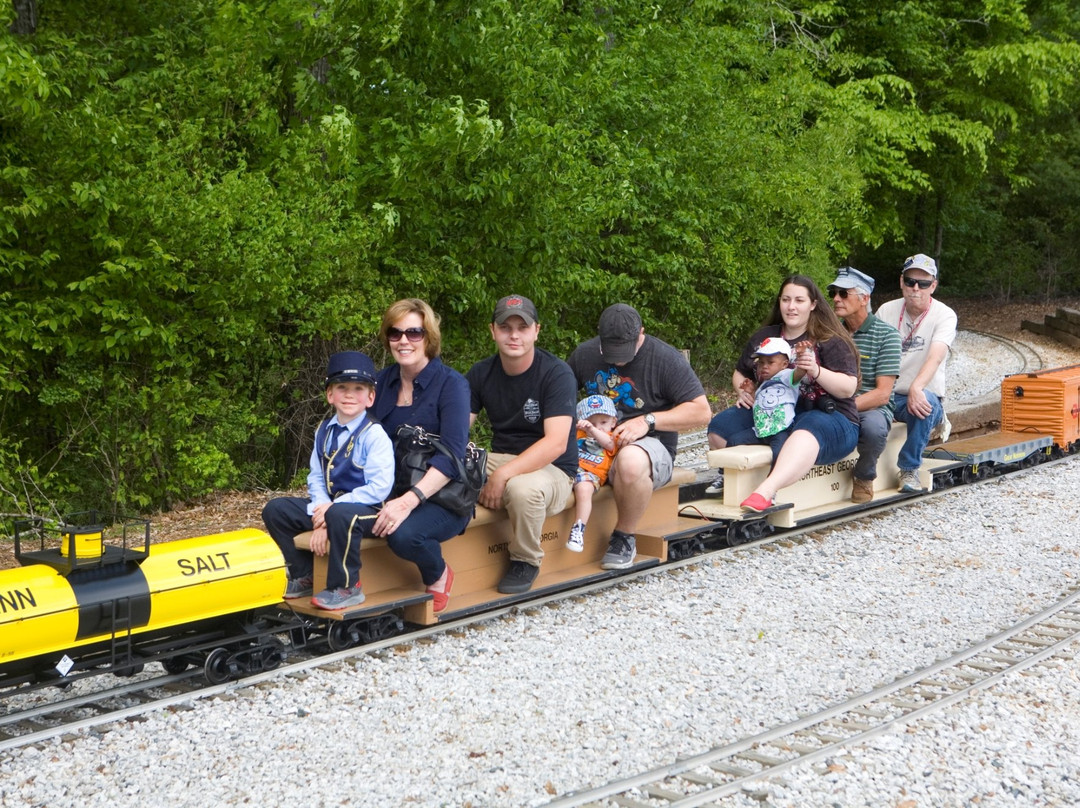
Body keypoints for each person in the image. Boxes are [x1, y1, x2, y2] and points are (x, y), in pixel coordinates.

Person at [567, 304, 710, 570]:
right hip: (594, 448)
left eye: (623, 353)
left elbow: (702, 411)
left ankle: (623, 537)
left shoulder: (665, 359)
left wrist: (648, 420)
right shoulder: (584, 355)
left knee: (630, 461)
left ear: (641, 334)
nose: (617, 360)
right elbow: (560, 404)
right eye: (610, 352)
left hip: (649, 448)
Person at [706, 275, 860, 511]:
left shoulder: (830, 338)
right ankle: (745, 477)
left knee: (804, 431)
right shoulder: (765, 337)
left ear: (813, 304)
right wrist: (743, 392)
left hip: (830, 416)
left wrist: (815, 370)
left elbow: (848, 388)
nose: (791, 306)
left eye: (799, 300)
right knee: (719, 428)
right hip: (772, 412)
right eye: (786, 299)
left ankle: (766, 491)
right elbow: (740, 373)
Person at [262, 351, 394, 610]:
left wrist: (333, 510)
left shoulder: (374, 435)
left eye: (358, 388)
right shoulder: (323, 430)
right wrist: (321, 507)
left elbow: (380, 488)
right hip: (332, 509)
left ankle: (347, 586)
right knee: (276, 510)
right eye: (341, 387)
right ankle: (304, 574)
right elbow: (316, 476)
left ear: (370, 397)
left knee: (342, 516)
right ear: (329, 395)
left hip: (369, 512)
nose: (348, 394)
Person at [466, 294, 577, 594]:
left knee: (521, 489)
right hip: (505, 457)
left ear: (536, 331)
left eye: (522, 327)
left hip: (552, 468)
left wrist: (501, 476)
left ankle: (526, 560)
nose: (514, 335)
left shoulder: (556, 373)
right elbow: (458, 428)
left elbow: (555, 444)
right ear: (493, 331)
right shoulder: (480, 373)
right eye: (505, 327)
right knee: (447, 463)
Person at [369, 299, 472, 613]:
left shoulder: (452, 385)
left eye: (414, 333)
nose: (403, 341)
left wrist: (407, 500)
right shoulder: (379, 383)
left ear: (429, 337)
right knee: (305, 514)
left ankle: (438, 573)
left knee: (403, 536)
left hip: (440, 494)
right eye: (395, 332)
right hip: (388, 488)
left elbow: (453, 456)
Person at [876, 254, 957, 492]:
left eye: (923, 283)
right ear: (901, 281)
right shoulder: (885, 311)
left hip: (922, 394)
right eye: (910, 281)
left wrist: (916, 387)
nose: (915, 288)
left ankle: (909, 468)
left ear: (933, 286)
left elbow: (936, 356)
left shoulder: (945, 315)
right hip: (888, 393)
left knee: (924, 404)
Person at [828, 266, 902, 503]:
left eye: (843, 293)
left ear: (864, 298)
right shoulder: (830, 332)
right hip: (831, 402)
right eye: (834, 293)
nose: (837, 299)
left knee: (874, 429)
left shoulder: (887, 335)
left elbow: (882, 394)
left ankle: (864, 476)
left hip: (870, 406)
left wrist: (845, 408)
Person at [567, 394, 619, 553]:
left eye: (603, 422)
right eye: (592, 422)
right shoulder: (579, 433)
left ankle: (578, 527)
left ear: (613, 422)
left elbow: (609, 445)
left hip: (590, 473)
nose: (598, 426)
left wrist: (591, 429)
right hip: (570, 469)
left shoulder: (613, 437)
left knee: (583, 488)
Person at [745, 337, 807, 452]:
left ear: (784, 364)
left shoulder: (786, 376)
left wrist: (802, 356)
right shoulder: (763, 385)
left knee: (779, 454)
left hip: (781, 429)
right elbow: (761, 404)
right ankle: (726, 470)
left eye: (770, 362)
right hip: (761, 431)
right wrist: (752, 392)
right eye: (761, 362)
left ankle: (778, 470)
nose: (764, 366)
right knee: (734, 441)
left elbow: (800, 372)